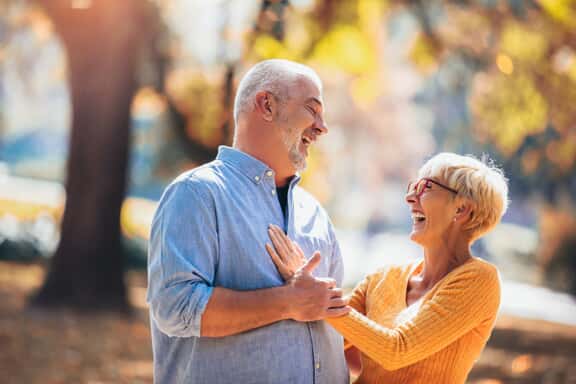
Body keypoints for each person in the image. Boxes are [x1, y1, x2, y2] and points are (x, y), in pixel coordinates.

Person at [146, 59, 350, 384]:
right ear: (266, 105)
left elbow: (335, 326)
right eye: (312, 110)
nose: (322, 126)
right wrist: (288, 302)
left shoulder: (315, 214)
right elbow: (175, 307)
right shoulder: (197, 194)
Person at [266, 152, 508, 383]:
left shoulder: (480, 280)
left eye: (425, 187)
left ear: (462, 209)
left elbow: (397, 350)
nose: (410, 198)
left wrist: (320, 298)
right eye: (412, 187)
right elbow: (327, 339)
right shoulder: (383, 277)